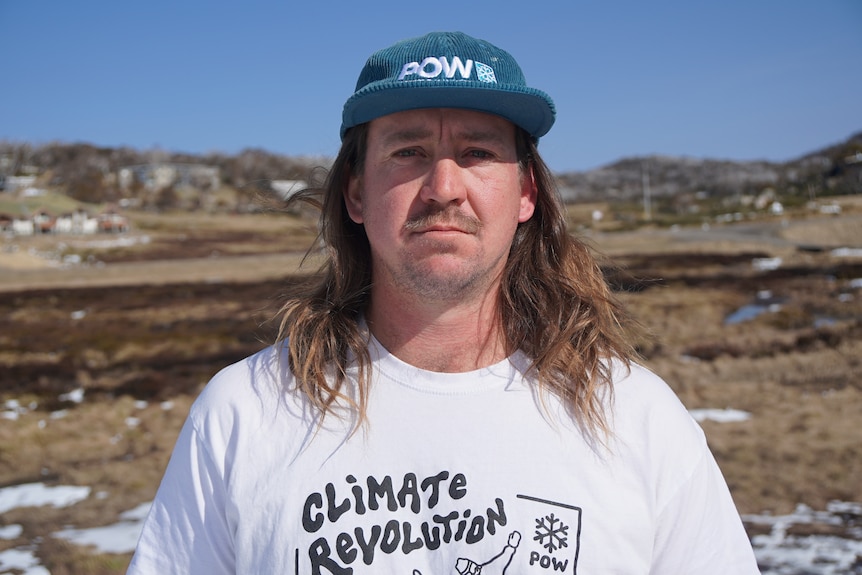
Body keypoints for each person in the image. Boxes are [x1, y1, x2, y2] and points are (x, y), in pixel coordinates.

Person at [127, 31, 760, 574]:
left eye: (479, 152)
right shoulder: (246, 413)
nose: (444, 188)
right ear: (354, 192)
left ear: (525, 195)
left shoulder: (635, 419)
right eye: (409, 152)